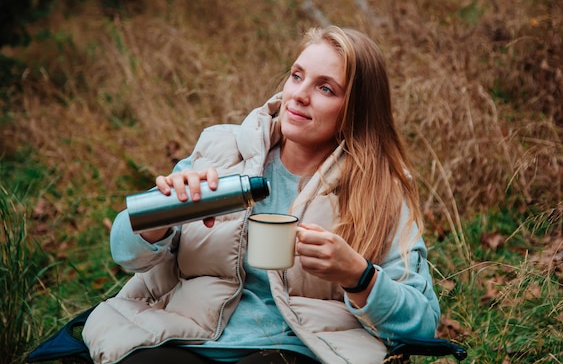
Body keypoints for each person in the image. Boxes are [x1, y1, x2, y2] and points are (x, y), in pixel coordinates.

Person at [82, 26, 441, 364]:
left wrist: (360, 276)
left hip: (297, 347)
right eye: (297, 76)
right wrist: (162, 217)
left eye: (326, 88)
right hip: (189, 334)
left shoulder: (379, 191)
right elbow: (124, 252)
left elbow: (422, 323)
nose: (299, 95)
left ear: (356, 110)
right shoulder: (221, 150)